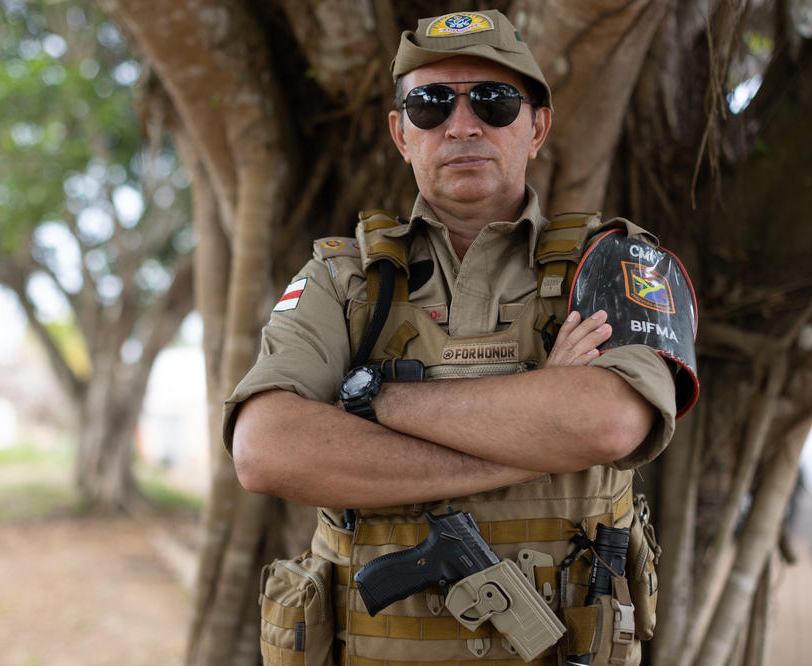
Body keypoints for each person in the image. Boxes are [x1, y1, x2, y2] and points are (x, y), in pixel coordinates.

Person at [225, 9, 697, 666]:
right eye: (430, 104)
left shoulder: (612, 263)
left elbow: (611, 422)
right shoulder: (343, 280)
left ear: (538, 127)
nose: (463, 124)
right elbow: (266, 448)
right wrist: (540, 424)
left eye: (496, 102)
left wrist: (371, 402)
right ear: (400, 132)